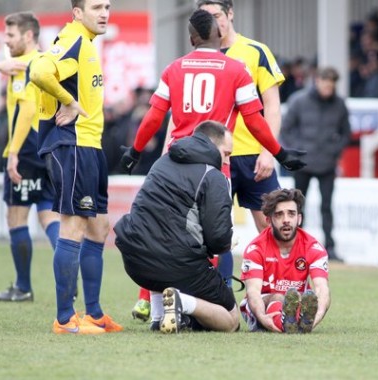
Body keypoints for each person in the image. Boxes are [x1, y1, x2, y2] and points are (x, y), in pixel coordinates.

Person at [120, 9, 305, 321]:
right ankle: (209, 306)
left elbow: (154, 115)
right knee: (214, 238)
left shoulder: (174, 68)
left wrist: (136, 150)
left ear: (191, 38)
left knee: (166, 232)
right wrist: (279, 152)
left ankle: (157, 310)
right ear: (220, 36)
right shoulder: (236, 69)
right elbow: (254, 121)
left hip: (175, 164)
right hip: (213, 166)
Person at [29, 0, 122, 334]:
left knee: (98, 227)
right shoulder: (73, 39)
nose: (104, 12)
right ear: (77, 12)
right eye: (96, 6)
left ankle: (94, 313)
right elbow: (38, 72)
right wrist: (68, 101)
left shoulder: (88, 43)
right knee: (73, 226)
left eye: (108, 6)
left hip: (90, 146)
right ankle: (65, 318)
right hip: (72, 145)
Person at [115, 121, 239, 334]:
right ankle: (181, 302)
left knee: (159, 245)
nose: (227, 161)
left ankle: (158, 317)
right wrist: (227, 240)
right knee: (231, 319)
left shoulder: (162, 162)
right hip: (176, 264)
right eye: (226, 153)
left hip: (134, 260)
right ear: (211, 145)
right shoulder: (213, 176)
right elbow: (218, 238)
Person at [195, 0, 286, 287]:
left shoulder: (256, 51)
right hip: (215, 157)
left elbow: (272, 105)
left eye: (218, 15)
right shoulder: (198, 56)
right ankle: (217, 296)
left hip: (254, 156)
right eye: (206, 17)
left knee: (272, 225)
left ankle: (278, 291)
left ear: (230, 14)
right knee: (213, 230)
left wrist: (268, 151)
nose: (213, 22)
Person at [0, 12, 60, 303]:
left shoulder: (23, 67)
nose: (6, 41)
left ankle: (23, 286)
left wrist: (13, 152)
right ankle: (67, 274)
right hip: (46, 146)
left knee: (16, 215)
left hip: (25, 148)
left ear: (28, 36)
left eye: (11, 36)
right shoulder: (44, 63)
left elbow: (26, 110)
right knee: (48, 212)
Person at [279, 67, 350, 261]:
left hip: (327, 163)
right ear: (317, 81)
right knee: (298, 207)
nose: (328, 88)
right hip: (303, 164)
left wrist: (334, 151)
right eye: (325, 83)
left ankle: (330, 247)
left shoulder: (339, 104)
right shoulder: (299, 101)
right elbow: (285, 130)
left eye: (331, 85)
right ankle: (296, 245)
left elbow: (346, 133)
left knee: (327, 206)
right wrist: (296, 151)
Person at [240, 188, 330, 333]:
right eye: (279, 214)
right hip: (260, 306)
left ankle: (297, 321)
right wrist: (263, 318)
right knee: (278, 297)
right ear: (269, 220)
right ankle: (288, 323)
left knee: (306, 297)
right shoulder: (256, 248)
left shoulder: (313, 248)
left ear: (299, 219)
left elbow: (322, 289)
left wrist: (316, 318)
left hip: (298, 302)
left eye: (291, 214)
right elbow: (253, 292)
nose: (286, 220)